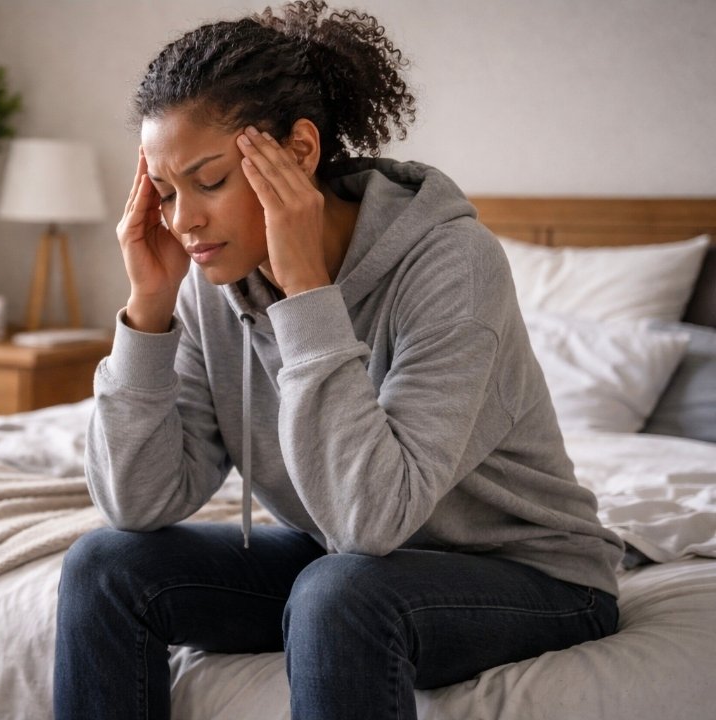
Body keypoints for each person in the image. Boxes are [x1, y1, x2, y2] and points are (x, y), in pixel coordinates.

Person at [54, 2, 623, 718]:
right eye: (165, 192)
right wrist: (148, 310)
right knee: (103, 568)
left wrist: (307, 300)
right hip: (347, 557)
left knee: (340, 592)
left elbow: (370, 520)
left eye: (209, 181)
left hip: (528, 574)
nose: (182, 221)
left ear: (298, 151)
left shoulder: (452, 265)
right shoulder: (208, 283)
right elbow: (136, 504)